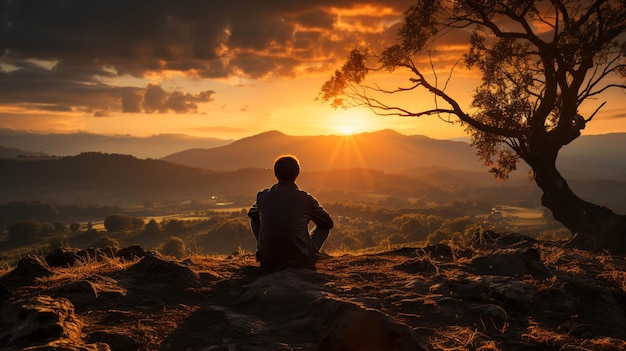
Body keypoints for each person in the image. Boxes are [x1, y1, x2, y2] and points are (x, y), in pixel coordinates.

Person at [248, 154, 333, 271]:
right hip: (300, 261)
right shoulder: (306, 199)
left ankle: (265, 251)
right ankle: (311, 256)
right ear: (297, 174)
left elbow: (252, 215)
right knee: (324, 228)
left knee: (255, 221)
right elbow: (328, 223)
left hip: (268, 262)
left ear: (275, 173)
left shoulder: (263, 196)